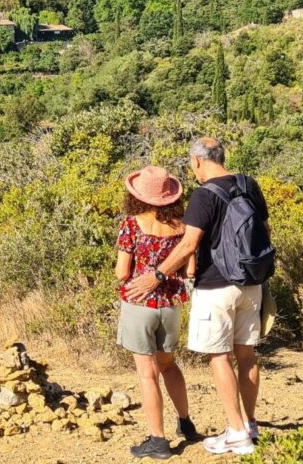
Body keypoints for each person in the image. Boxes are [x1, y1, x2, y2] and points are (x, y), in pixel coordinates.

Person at [125, 138, 271, 457]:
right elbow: (265, 230)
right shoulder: (249, 184)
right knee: (246, 356)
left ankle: (235, 433)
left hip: (216, 286)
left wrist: (157, 275)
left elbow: (188, 245)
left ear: (196, 161)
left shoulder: (204, 194)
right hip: (252, 282)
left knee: (218, 356)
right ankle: (250, 425)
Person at [115, 165, 199, 459]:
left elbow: (122, 272)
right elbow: (189, 269)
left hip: (139, 304)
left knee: (146, 374)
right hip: (170, 305)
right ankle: (186, 423)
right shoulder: (182, 227)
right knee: (169, 366)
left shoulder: (132, 224)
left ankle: (158, 440)